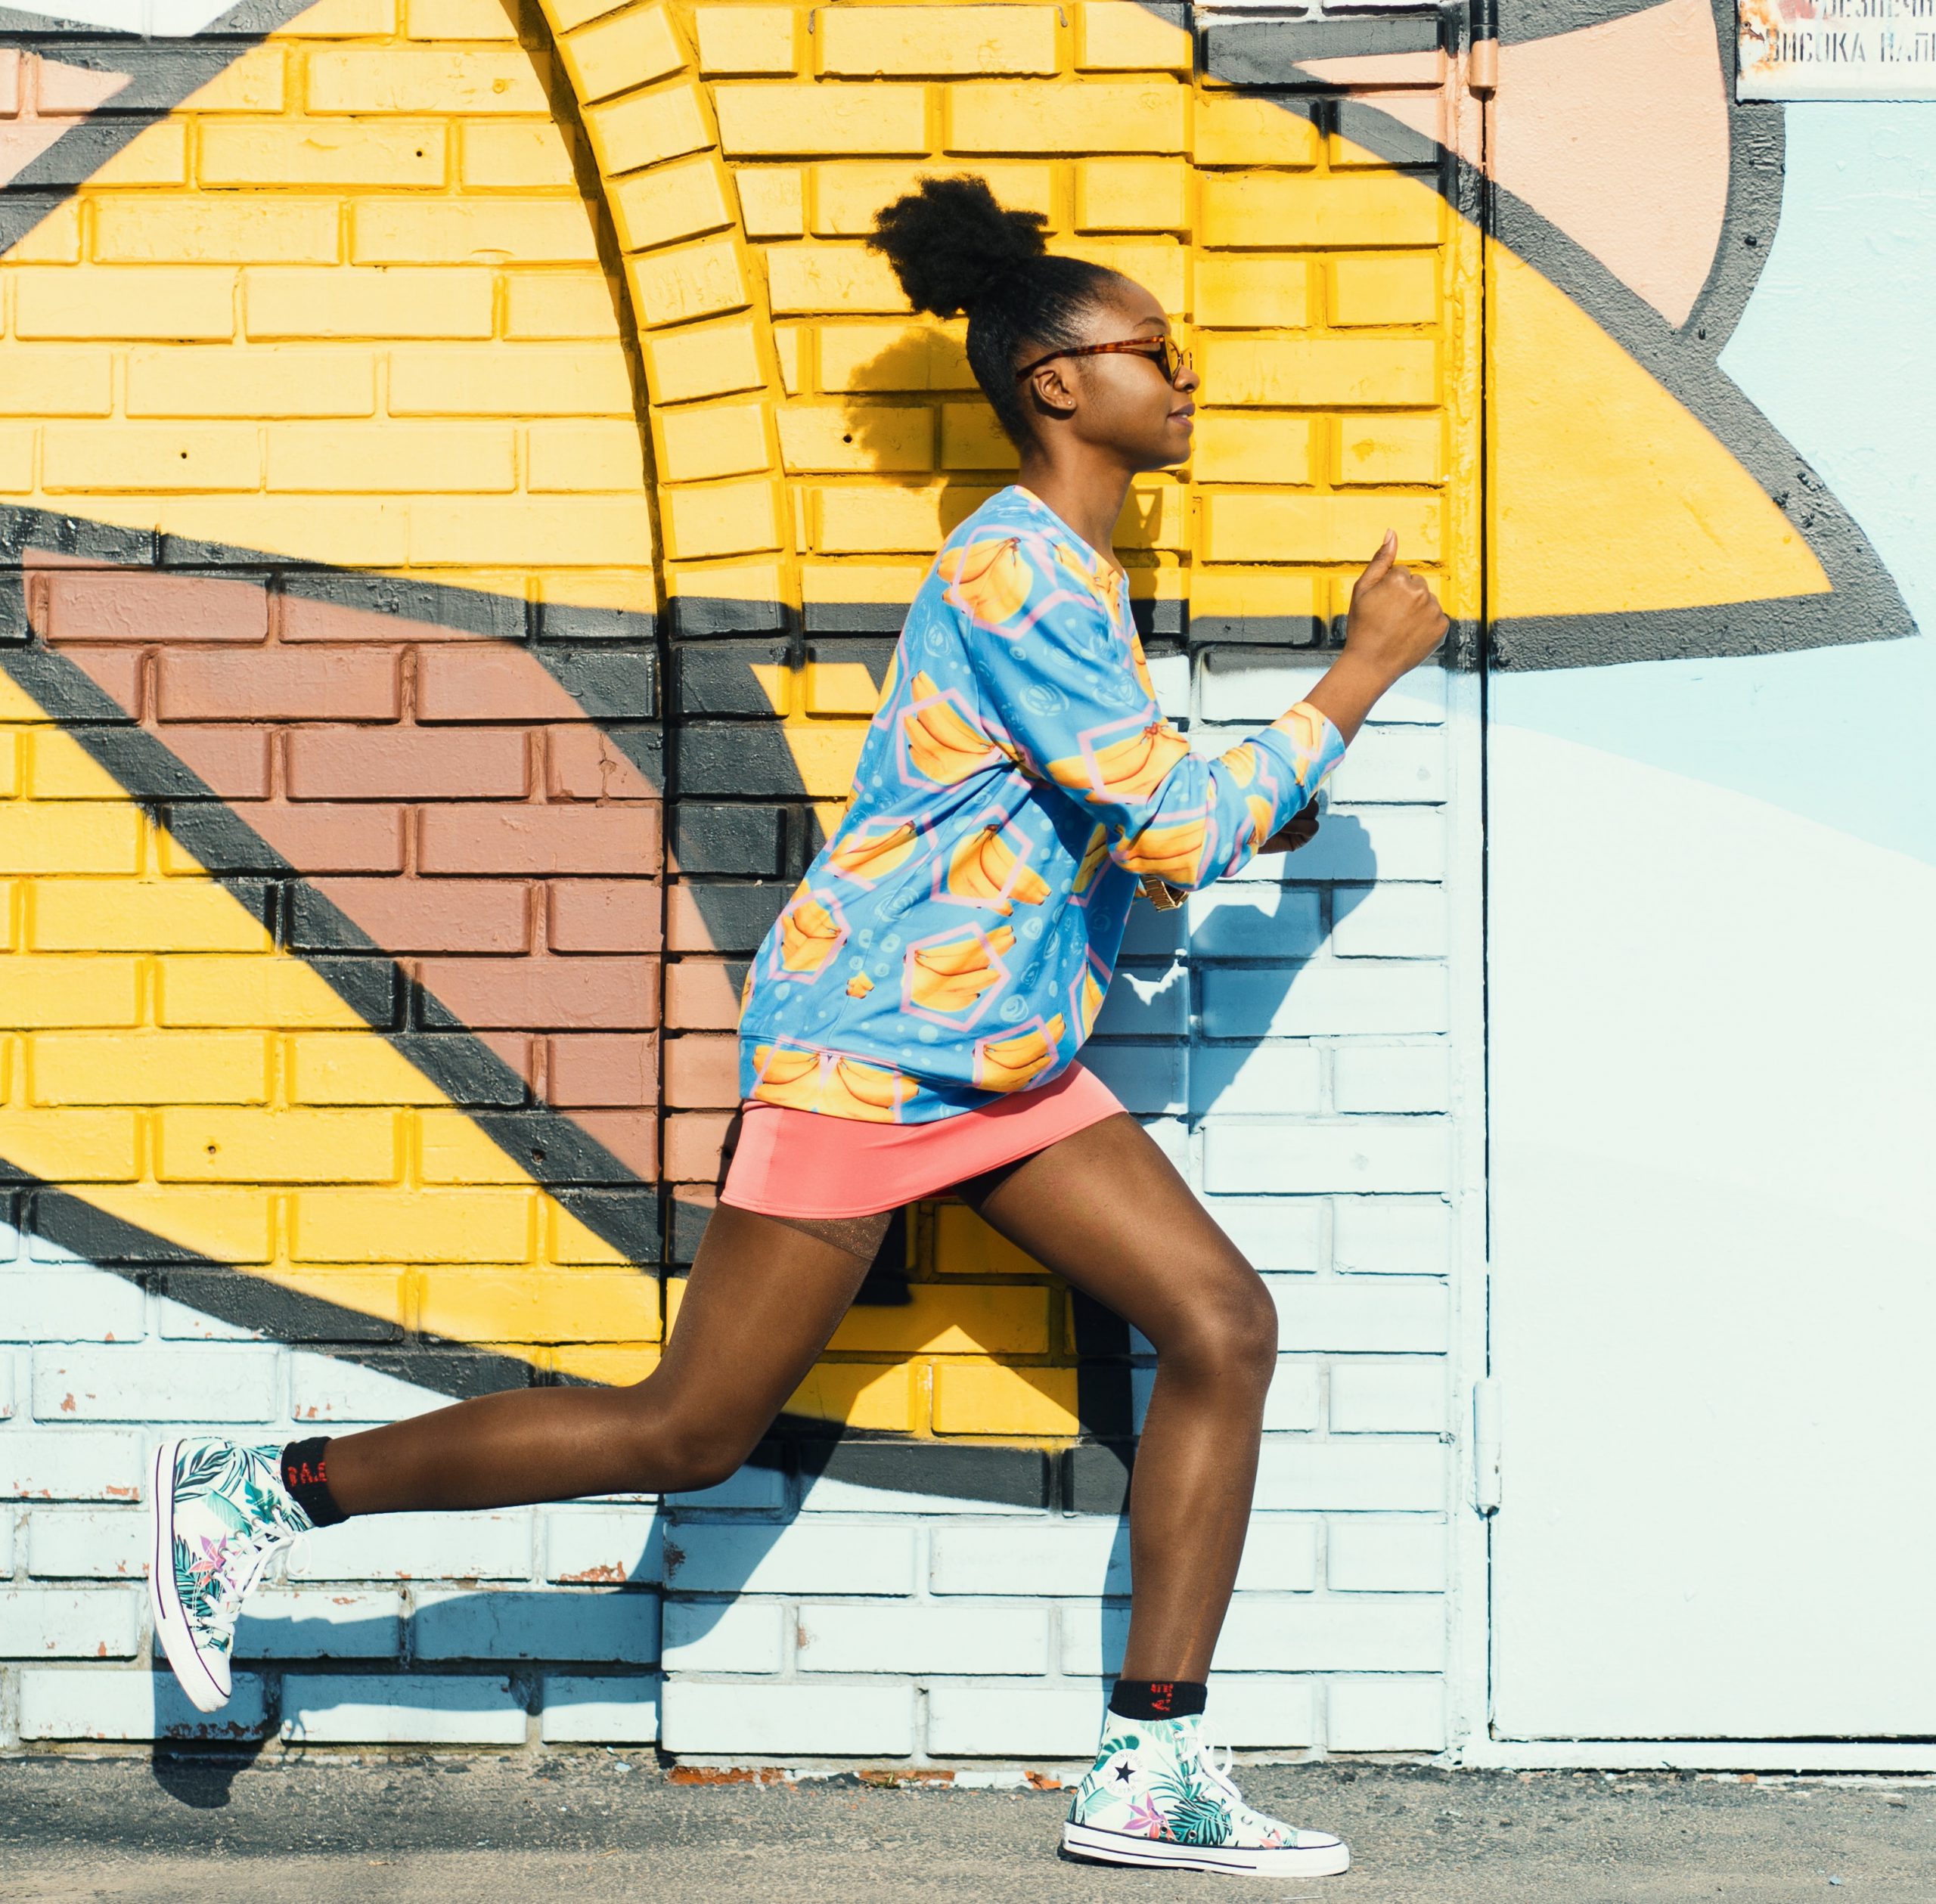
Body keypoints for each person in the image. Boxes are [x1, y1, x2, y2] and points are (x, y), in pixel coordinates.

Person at [148, 173, 1447, 1879]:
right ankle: (260, 1488)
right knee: (688, 1429)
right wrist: (1354, 678)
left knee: (1217, 1322)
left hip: (996, 1060)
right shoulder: (1016, 568)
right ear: (1058, 381)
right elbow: (1167, 825)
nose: (1185, 377)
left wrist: (1215, 808)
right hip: (871, 1055)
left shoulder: (1070, 572)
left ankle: (1148, 1766)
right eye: (1157, 350)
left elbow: (1127, 822)